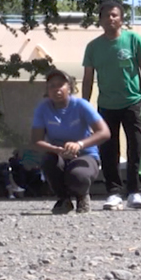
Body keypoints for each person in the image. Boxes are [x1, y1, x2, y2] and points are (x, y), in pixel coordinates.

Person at [82, 0, 141, 210]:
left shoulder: (133, 39)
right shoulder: (93, 47)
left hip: (133, 103)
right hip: (106, 105)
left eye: (114, 15)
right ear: (101, 20)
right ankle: (113, 193)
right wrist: (84, 107)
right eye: (106, 15)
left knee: (136, 148)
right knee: (108, 150)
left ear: (121, 19)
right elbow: (87, 78)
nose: (110, 18)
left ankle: (135, 192)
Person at [32, 69, 111, 214]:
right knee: (48, 161)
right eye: (52, 86)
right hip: (59, 155)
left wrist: (79, 144)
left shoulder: (81, 105)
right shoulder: (42, 109)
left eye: (60, 85)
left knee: (78, 175)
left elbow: (104, 132)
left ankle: (82, 196)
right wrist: (57, 150)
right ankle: (64, 199)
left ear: (69, 87)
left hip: (85, 154)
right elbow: (36, 141)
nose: (56, 89)